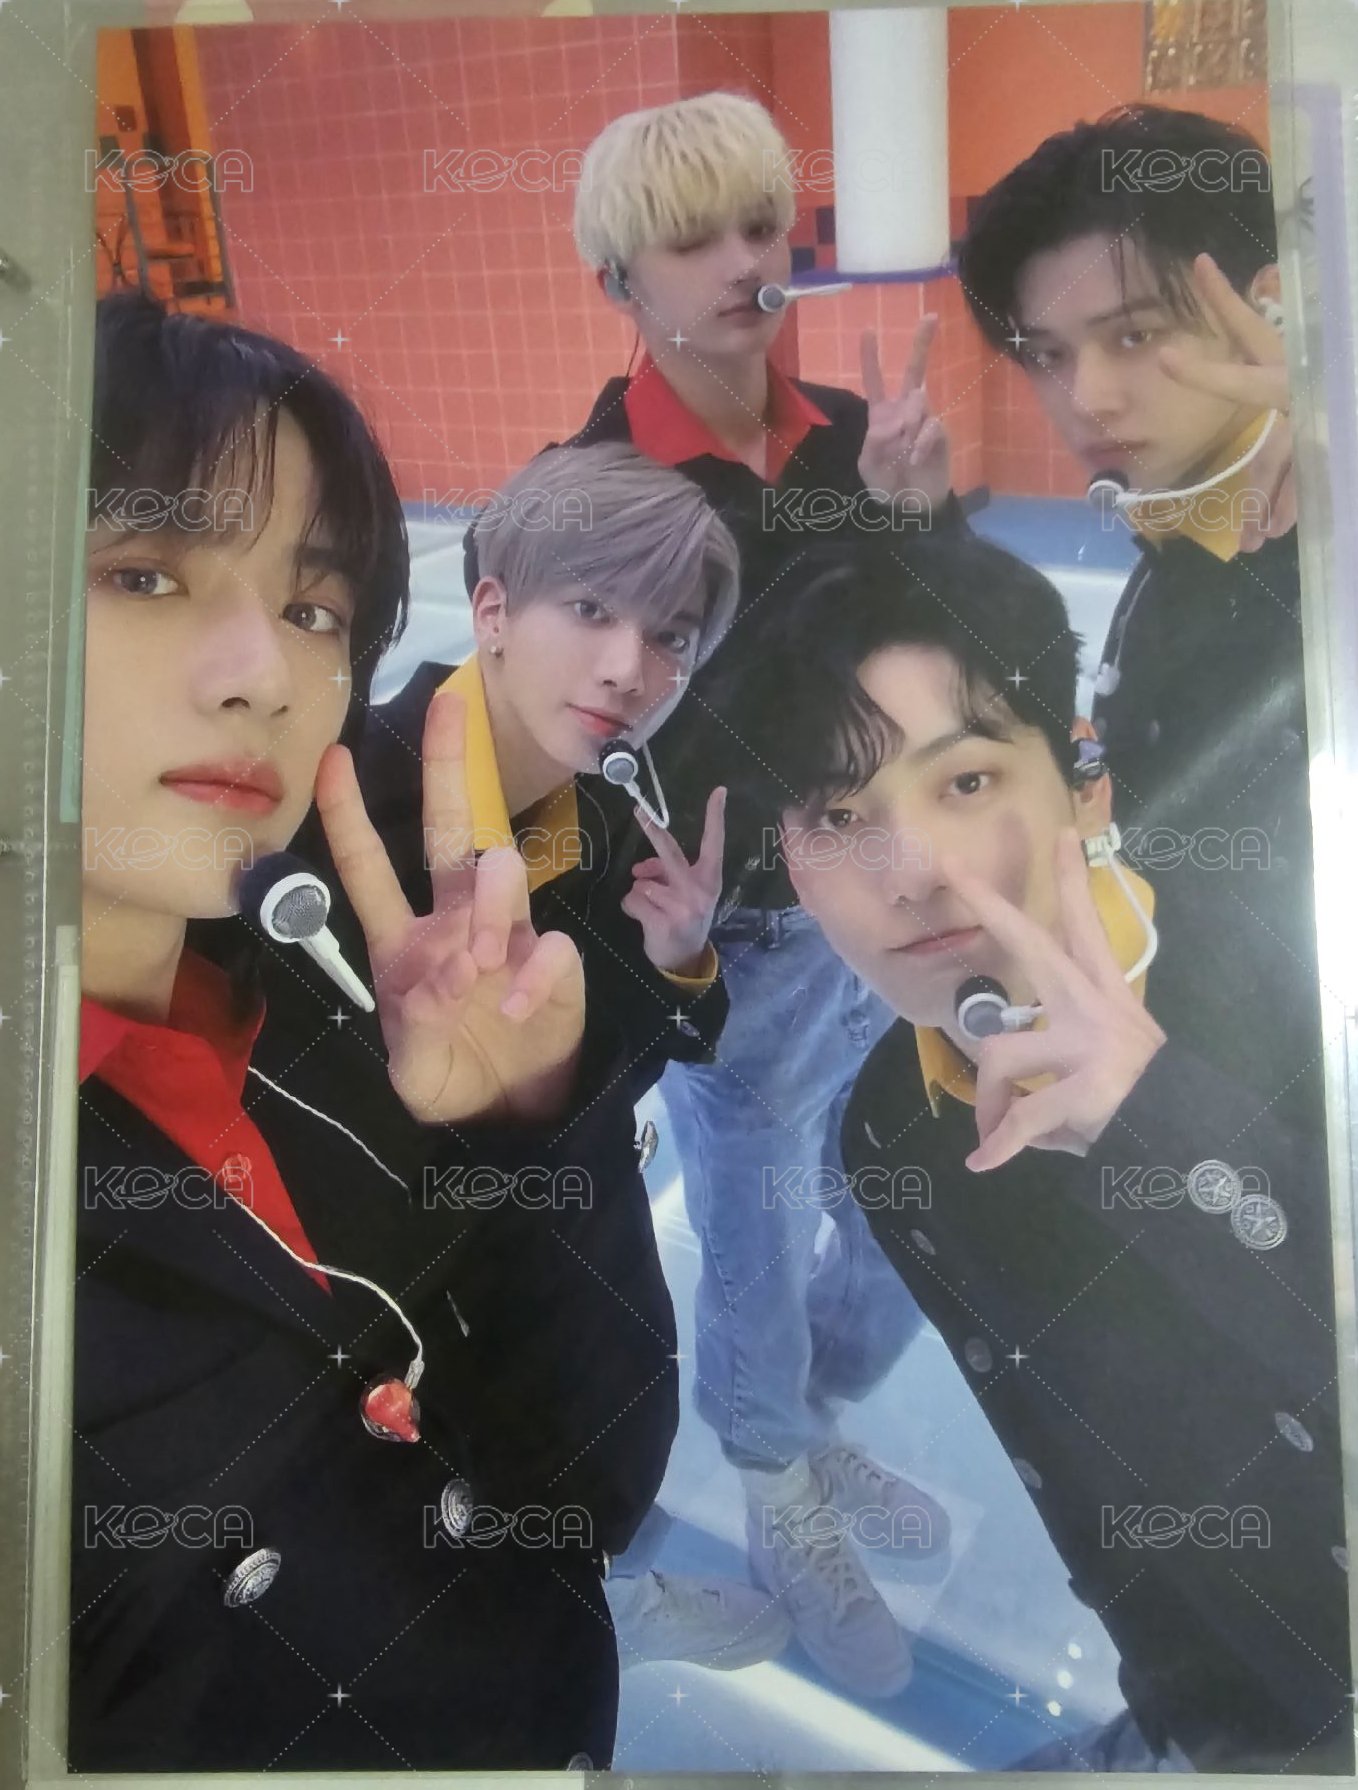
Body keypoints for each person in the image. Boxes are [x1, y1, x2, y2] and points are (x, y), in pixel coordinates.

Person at [73, 293, 681, 1771]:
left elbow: (590, 1485)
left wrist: (533, 1125)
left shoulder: (335, 1003)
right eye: (144, 573)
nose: (263, 673)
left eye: (313, 609)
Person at [461, 89, 951, 1692]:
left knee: (905, 1176)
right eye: (694, 241)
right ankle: (772, 1475)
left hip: (886, 899)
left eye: (762, 226)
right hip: (732, 934)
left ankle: (797, 1411)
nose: (747, 263)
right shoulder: (590, 492)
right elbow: (548, 724)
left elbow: (912, 664)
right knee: (756, 1209)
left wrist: (918, 522)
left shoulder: (846, 437)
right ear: (618, 280)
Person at [732, 531, 1352, 1773]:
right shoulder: (890, 1125)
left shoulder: (1310, 984)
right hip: (1204, 1701)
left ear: (1083, 781)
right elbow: (1066, 1465)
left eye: (963, 782)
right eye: (838, 814)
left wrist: (1160, 1119)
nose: (912, 872)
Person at [353, 439, 799, 1669]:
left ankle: (602, 1589)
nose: (629, 668)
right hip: (442, 1325)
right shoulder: (360, 816)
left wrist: (681, 959)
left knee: (589, 1477)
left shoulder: (600, 806)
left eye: (669, 634)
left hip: (584, 1269)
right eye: (592, 608)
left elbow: (622, 1061)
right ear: (492, 609)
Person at [957, 103, 1318, 1136]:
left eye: (1134, 335)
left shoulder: (1312, 568)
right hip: (1198, 1093)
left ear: (1270, 308)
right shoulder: (1184, 541)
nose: (1087, 397)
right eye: (1046, 354)